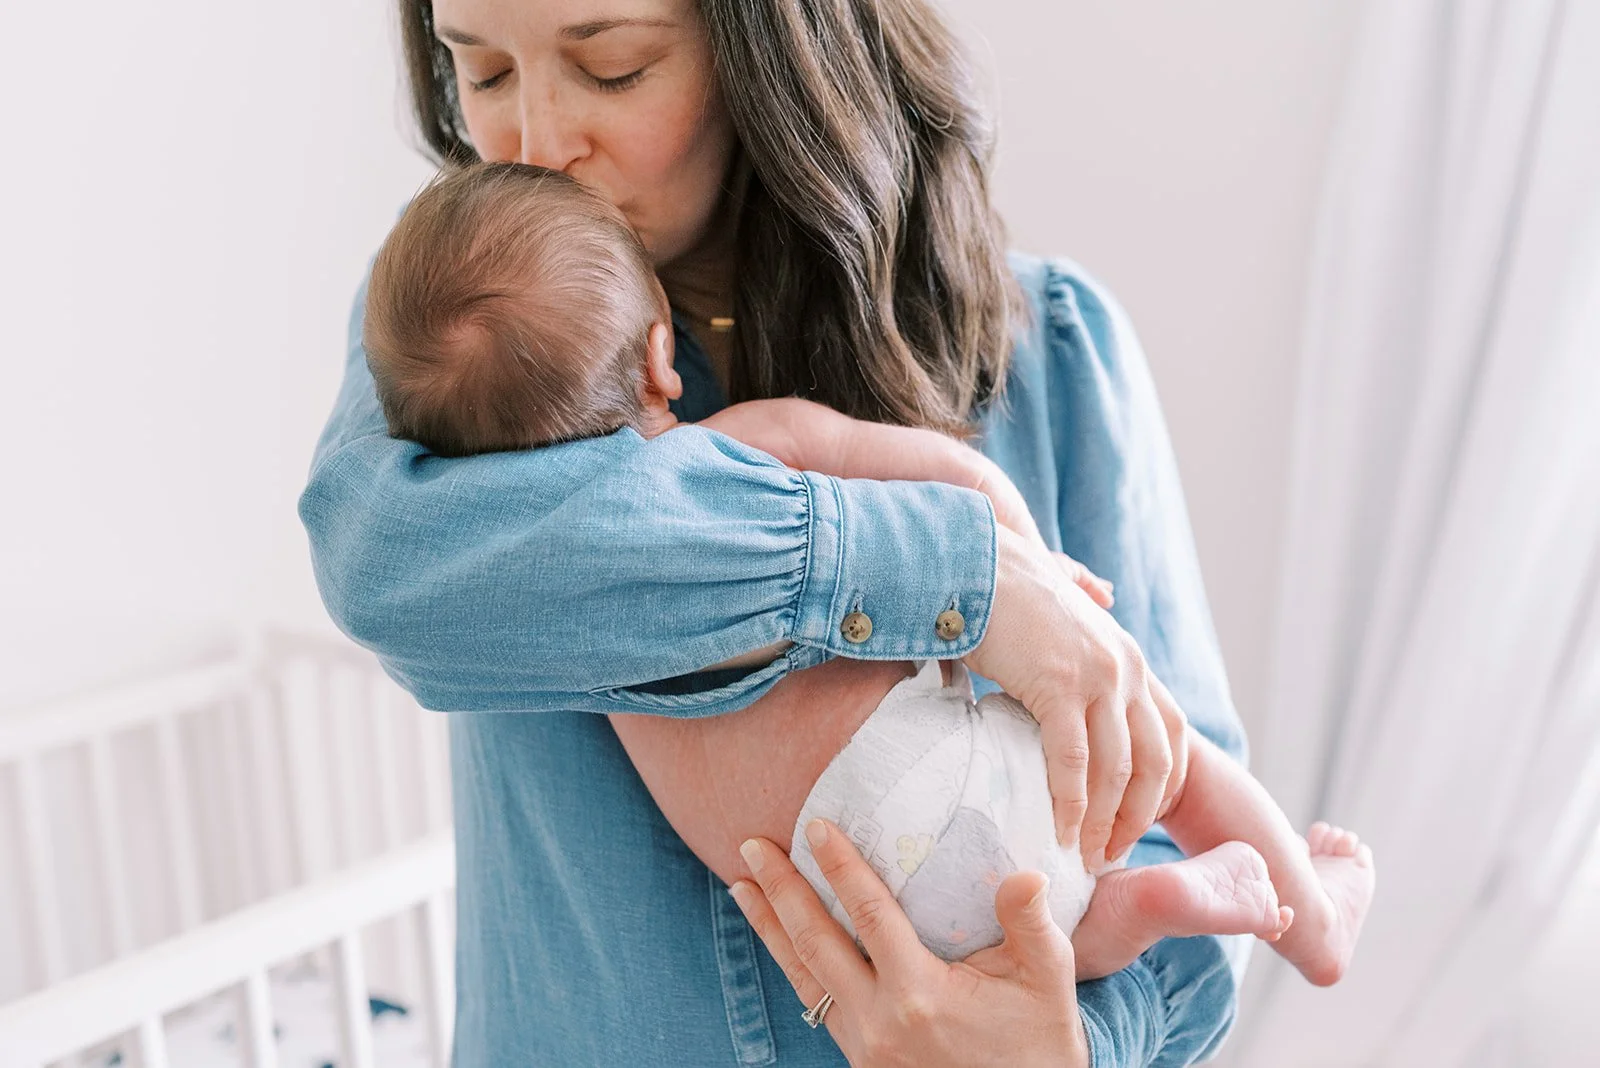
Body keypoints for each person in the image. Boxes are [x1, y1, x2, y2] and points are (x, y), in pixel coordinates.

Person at [301, 0, 1256, 1062]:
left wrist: (1063, 1042)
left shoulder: (1055, 348)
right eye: (480, 73)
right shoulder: (472, 335)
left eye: (613, 67)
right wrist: (964, 579)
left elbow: (1196, 855)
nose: (534, 144)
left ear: (773, 47)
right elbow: (386, 565)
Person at [361, 157, 1376, 988]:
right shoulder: (740, 445)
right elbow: (947, 478)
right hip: (948, 772)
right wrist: (1025, 575)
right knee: (1171, 761)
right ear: (662, 359)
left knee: (1032, 947)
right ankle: (1314, 919)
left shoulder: (564, 614)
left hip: (850, 896)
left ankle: (1135, 912)